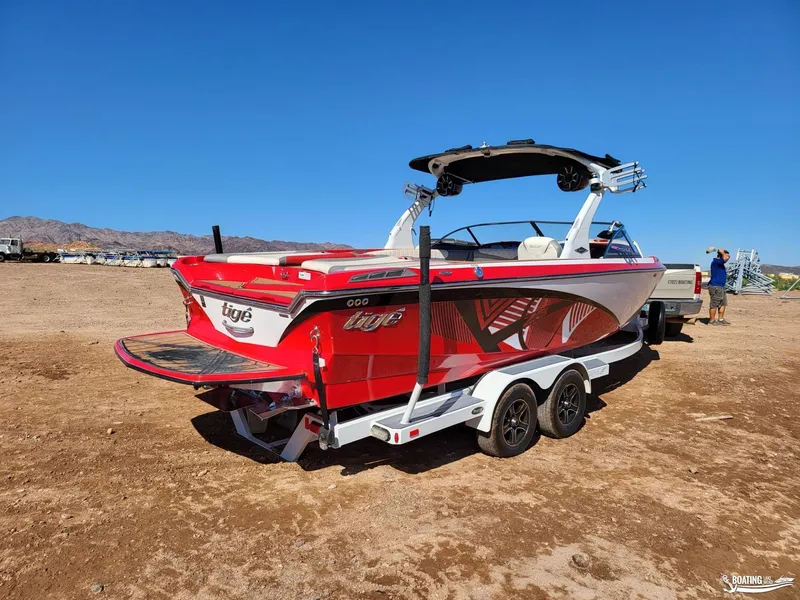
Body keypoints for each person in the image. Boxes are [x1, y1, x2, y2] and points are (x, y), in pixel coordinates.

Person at [708, 249, 730, 325]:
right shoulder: (716, 262)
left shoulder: (720, 264)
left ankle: (720, 319)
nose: (729, 258)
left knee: (723, 304)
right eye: (727, 255)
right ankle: (712, 320)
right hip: (715, 287)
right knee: (714, 304)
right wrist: (721, 251)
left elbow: (725, 258)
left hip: (721, 287)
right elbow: (725, 258)